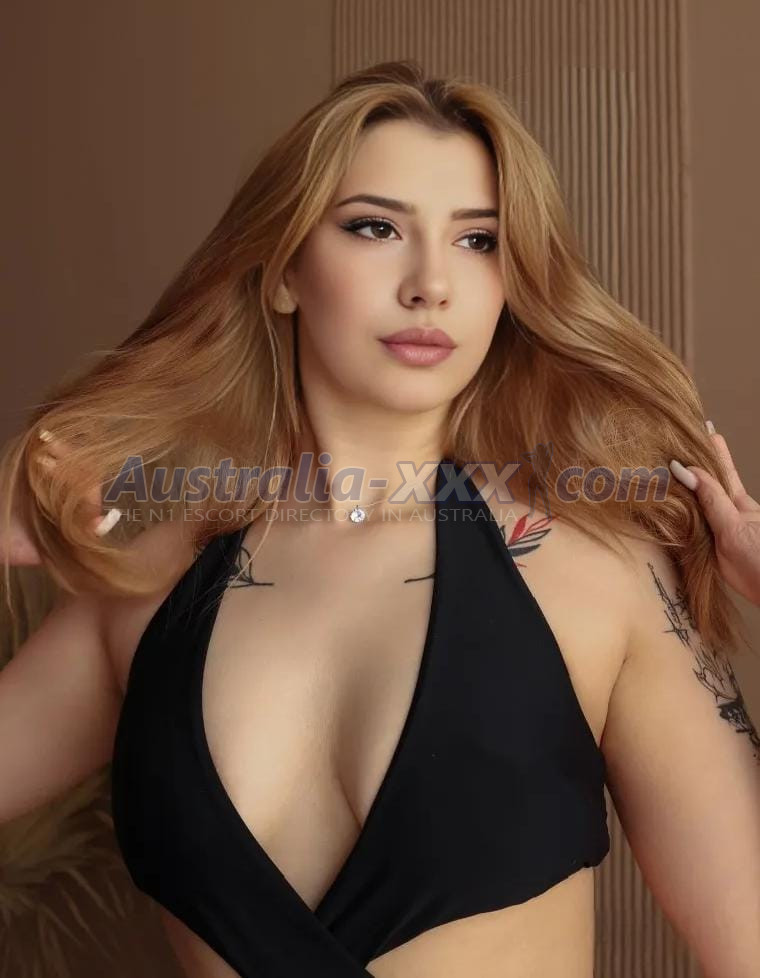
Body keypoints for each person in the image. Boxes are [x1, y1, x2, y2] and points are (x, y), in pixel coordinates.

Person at [1, 60, 758, 978]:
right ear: (285, 271)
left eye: (478, 241)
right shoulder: (149, 586)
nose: (431, 283)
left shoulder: (599, 573)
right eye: (376, 228)